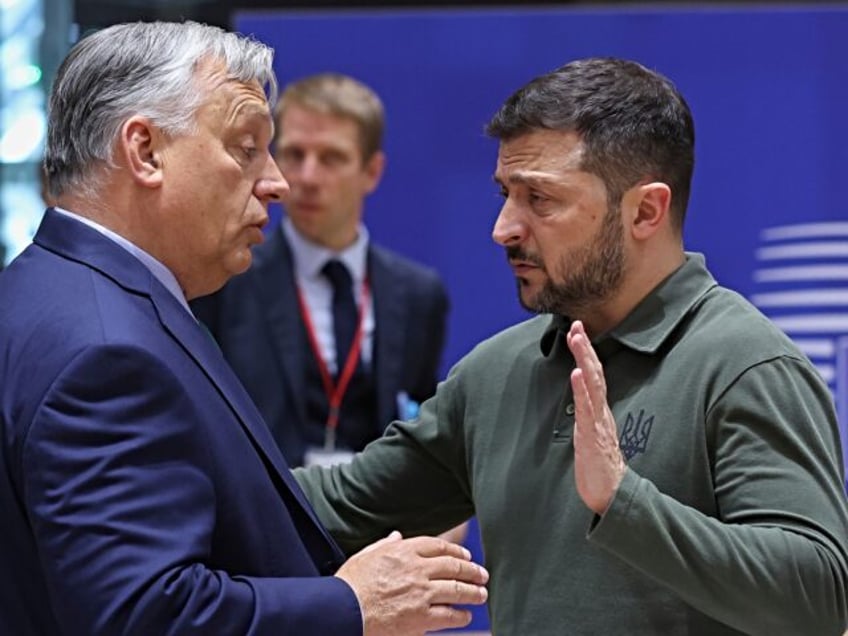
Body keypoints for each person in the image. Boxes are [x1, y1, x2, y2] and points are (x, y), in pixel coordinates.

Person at [293, 57, 848, 635]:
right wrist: (204, 459)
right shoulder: (494, 373)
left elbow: (817, 596)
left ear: (645, 211)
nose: (504, 227)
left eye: (540, 198)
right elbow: (330, 508)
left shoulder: (745, 365)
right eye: (506, 193)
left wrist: (623, 501)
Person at [0, 21, 488, 635]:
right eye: (245, 147)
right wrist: (353, 606)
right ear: (145, 151)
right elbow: (146, 617)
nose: (278, 182)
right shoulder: (105, 350)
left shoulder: (50, 290)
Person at [190, 73, 466, 544]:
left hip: (374, 530)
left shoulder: (418, 294)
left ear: (371, 172)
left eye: (332, 158)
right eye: (294, 154)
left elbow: (417, 423)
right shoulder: (226, 277)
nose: (307, 177)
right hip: (261, 530)